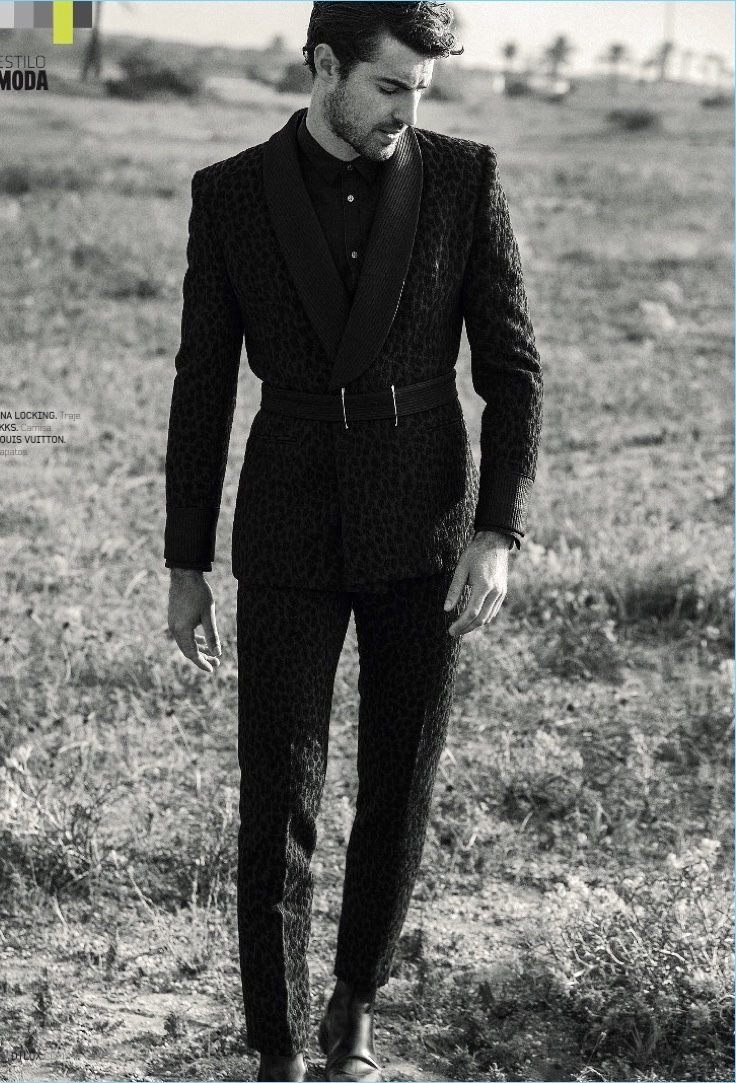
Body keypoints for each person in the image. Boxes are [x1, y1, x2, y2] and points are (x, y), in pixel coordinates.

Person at [164, 4, 543, 1080]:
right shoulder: (229, 194)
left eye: (420, 91)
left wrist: (499, 530)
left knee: (399, 780)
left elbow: (513, 371)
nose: (405, 110)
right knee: (277, 791)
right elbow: (202, 384)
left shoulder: (463, 179)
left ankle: (355, 1008)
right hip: (285, 517)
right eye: (387, 87)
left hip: (426, 523)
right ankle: (278, 1046)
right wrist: (185, 562)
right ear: (324, 66)